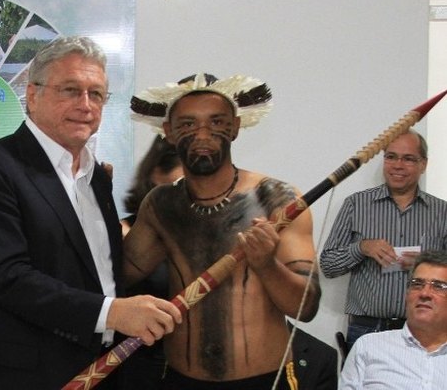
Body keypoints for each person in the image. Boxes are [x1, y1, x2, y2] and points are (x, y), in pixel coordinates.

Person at [0, 35, 181, 390]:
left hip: (103, 370)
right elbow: (8, 277)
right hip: (18, 378)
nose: (86, 105)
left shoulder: (96, 178)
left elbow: (99, 273)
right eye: (70, 90)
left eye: (97, 94)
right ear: (32, 95)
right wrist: (114, 313)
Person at [125, 73, 321, 389]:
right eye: (188, 124)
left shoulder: (276, 199)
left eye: (216, 122)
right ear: (169, 132)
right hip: (180, 380)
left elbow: (307, 306)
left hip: (263, 380)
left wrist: (267, 265)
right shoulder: (162, 205)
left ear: (235, 127)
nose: (203, 134)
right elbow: (121, 275)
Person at [320, 130, 447, 349]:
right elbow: (328, 265)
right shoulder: (356, 205)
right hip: (367, 329)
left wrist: (424, 265)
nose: (398, 165)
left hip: (425, 329)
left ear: (423, 164)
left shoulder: (442, 211)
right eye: (391, 157)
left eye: (408, 159)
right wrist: (361, 248)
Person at [118, 135, 183, 389]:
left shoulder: (211, 231)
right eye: (180, 182)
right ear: (156, 175)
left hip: (193, 366)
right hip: (138, 362)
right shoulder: (125, 231)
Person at [339, 251, 447, 389]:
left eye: (438, 286)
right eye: (417, 284)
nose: (424, 293)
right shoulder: (368, 347)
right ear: (407, 294)